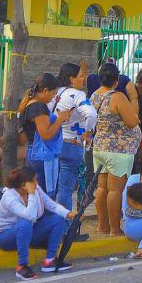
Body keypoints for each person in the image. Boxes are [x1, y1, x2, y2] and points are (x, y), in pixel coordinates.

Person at [89, 62, 141, 238]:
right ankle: (115, 229)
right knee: (115, 190)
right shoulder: (117, 97)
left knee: (102, 187)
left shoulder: (95, 95)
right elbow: (132, 121)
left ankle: (102, 226)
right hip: (118, 150)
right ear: (117, 79)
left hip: (99, 147)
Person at [0, 167, 72, 281]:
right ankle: (22, 267)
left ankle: (50, 261)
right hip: (5, 237)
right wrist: (31, 194)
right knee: (25, 224)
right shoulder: (9, 196)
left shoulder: (36, 189)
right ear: (23, 185)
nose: (37, 183)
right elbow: (30, 216)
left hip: (27, 232)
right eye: (34, 181)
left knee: (57, 219)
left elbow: (52, 205)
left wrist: (68, 214)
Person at [51, 63, 95, 210]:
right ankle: (65, 227)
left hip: (52, 144)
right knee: (65, 189)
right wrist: (88, 132)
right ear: (72, 79)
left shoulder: (53, 93)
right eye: (81, 76)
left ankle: (52, 226)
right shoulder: (77, 95)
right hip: (71, 145)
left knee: (51, 188)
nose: (84, 79)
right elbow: (91, 114)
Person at [20, 73, 70, 198]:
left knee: (38, 193)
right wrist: (60, 119)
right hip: (41, 156)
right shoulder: (39, 107)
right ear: (45, 90)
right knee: (44, 195)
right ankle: (44, 217)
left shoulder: (30, 104)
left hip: (34, 153)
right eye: (53, 93)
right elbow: (46, 134)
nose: (53, 98)